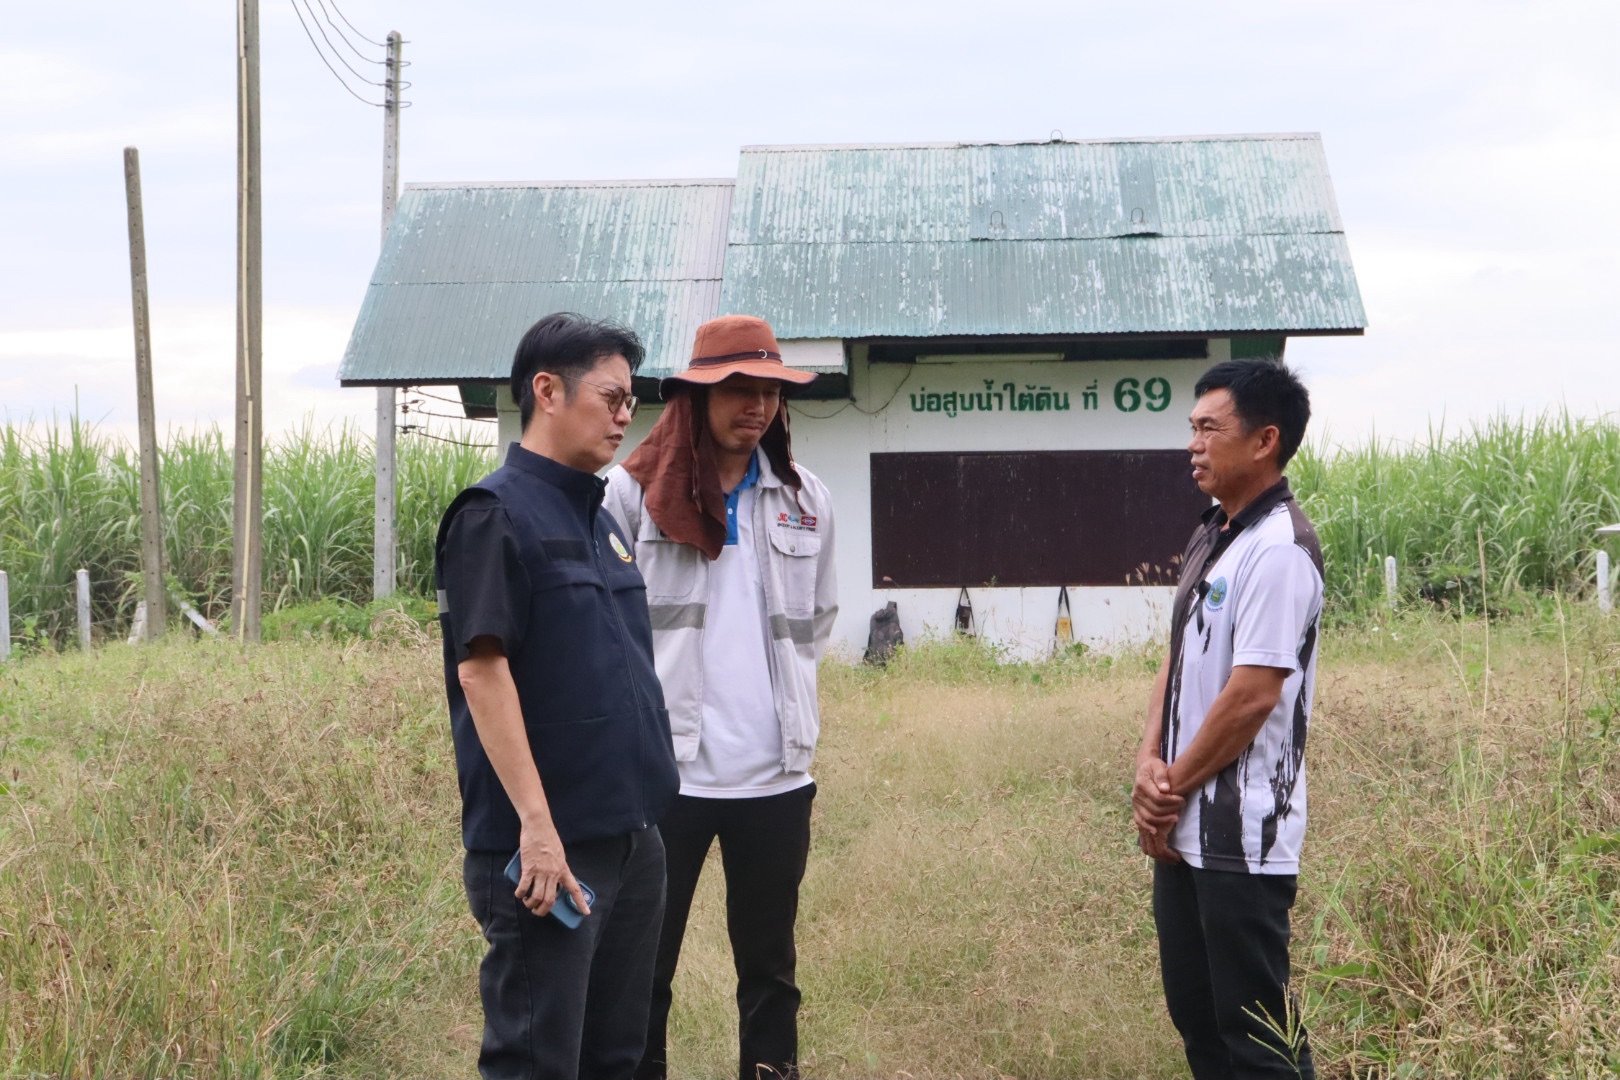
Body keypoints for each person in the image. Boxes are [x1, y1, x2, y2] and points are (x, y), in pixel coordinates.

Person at [435, 312, 680, 1080]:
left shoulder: (602, 519)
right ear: (547, 390)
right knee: (538, 1061)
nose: (623, 415)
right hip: (552, 855)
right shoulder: (493, 515)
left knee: (618, 1056)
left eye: (629, 399)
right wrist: (538, 830)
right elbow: (482, 672)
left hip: (632, 841)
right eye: (609, 397)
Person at [603, 314, 838, 1080]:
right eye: (738, 388)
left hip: (777, 776)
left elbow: (818, 621)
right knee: (642, 969)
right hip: (665, 777)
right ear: (696, 396)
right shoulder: (630, 496)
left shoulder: (808, 500)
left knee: (770, 970)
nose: (757, 404)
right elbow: (602, 630)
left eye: (769, 389)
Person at [1131, 357, 1323, 1079]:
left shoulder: (1279, 552)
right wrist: (1148, 769)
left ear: (1264, 440)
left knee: (1258, 1037)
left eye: (1210, 428)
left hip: (1240, 838)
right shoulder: (1216, 534)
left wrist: (1170, 787)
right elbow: (1176, 661)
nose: (1194, 444)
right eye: (1192, 428)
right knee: (1199, 1021)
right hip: (1182, 829)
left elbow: (1252, 696)